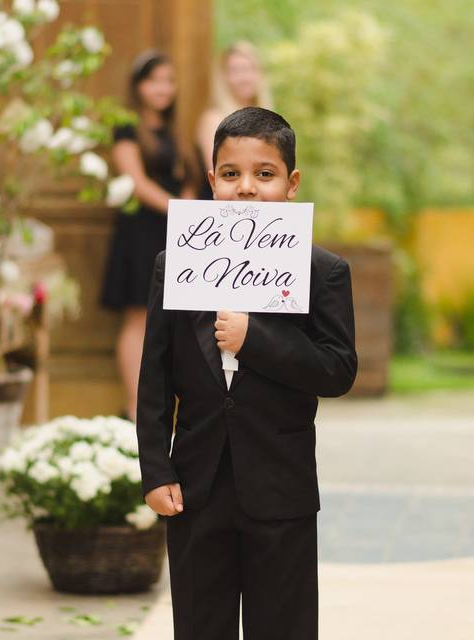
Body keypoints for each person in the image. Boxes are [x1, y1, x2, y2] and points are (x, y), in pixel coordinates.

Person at [137, 107, 357, 639]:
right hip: (195, 485)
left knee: (283, 625)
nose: (247, 188)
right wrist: (156, 470)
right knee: (199, 624)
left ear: (291, 182)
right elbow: (155, 377)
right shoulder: (176, 264)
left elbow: (337, 369)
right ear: (212, 180)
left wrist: (254, 338)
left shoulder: (322, 271)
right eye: (231, 174)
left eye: (265, 173)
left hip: (281, 488)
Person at [99, 50, 198, 421]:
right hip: (142, 231)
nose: (163, 89)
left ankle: (167, 410)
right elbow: (136, 183)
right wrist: (179, 209)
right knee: (137, 319)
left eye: (169, 81)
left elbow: (189, 178)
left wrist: (188, 211)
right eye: (155, 80)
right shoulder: (127, 128)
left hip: (177, 234)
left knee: (174, 321)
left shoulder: (177, 131)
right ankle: (133, 407)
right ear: (138, 86)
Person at [196, 42, 273, 200]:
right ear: (224, 77)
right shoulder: (213, 119)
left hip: (261, 205)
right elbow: (219, 174)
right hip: (225, 208)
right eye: (235, 70)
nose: (244, 77)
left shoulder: (269, 120)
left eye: (249, 69)